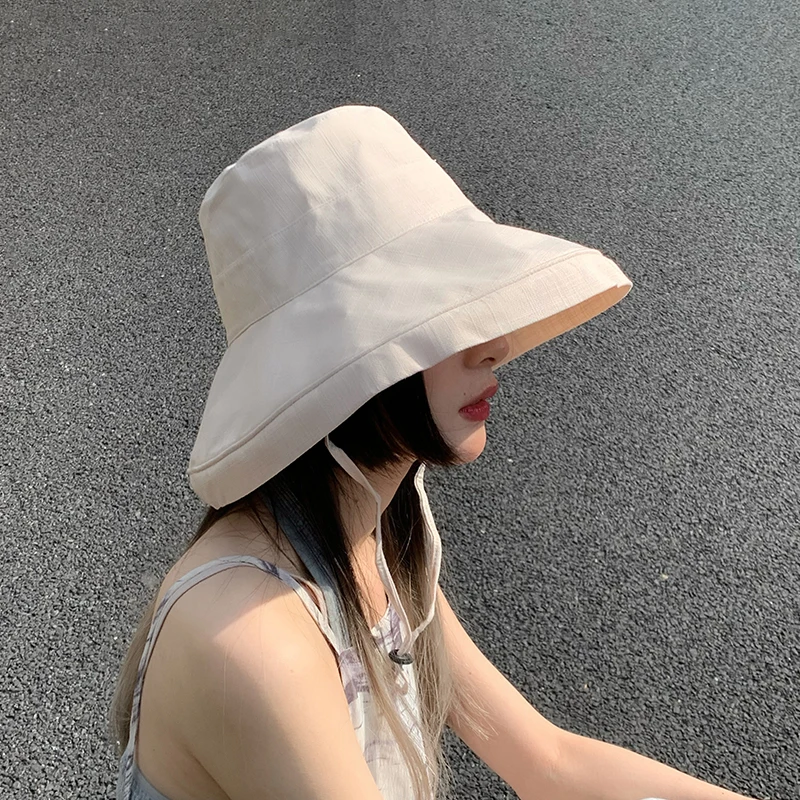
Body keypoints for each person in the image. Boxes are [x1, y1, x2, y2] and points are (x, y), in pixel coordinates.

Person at [109, 105, 756, 800]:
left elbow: (547, 762)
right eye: (437, 318)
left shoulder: (372, 533)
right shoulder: (253, 634)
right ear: (342, 366)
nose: (494, 345)